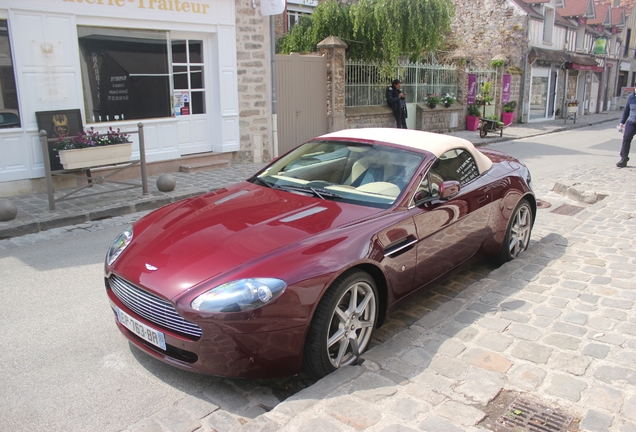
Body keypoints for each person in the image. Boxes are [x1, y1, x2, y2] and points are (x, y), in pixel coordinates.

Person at [617, 89, 636, 167]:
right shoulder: (631, 97)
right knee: (626, 138)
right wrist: (622, 123)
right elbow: (626, 110)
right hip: (631, 121)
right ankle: (624, 159)